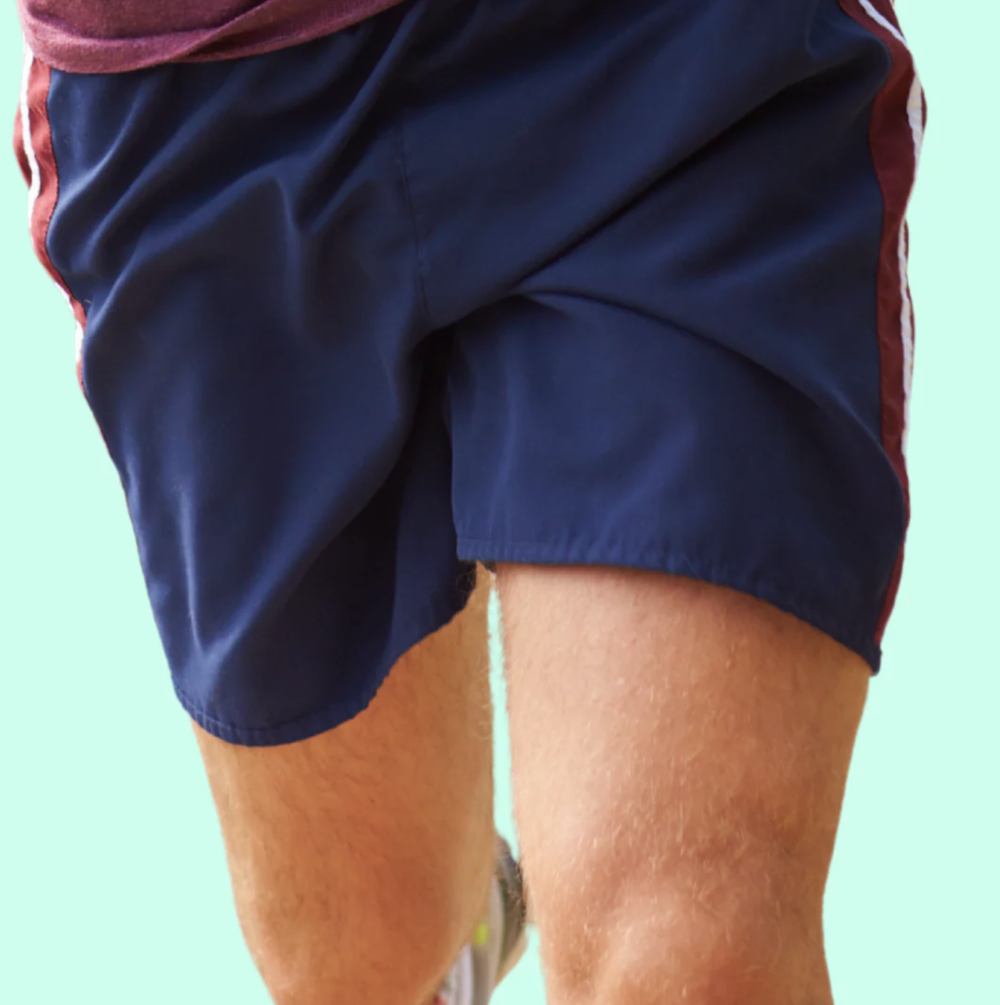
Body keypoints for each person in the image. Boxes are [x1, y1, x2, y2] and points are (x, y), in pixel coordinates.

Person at [14, 0, 924, 1002]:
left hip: (656, 52)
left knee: (687, 957)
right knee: (363, 952)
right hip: (195, 90)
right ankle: (469, 913)